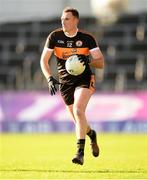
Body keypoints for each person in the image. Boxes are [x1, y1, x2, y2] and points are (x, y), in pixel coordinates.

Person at [40, 7, 104, 165]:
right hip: (65, 82)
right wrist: (49, 78)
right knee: (78, 120)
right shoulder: (54, 37)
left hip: (84, 79)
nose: (63, 21)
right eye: (62, 19)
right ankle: (92, 135)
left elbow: (101, 62)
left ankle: (79, 153)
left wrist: (88, 60)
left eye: (67, 19)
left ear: (76, 20)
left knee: (78, 110)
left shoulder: (87, 38)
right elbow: (43, 60)